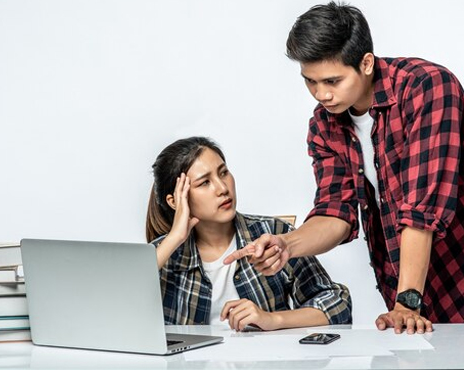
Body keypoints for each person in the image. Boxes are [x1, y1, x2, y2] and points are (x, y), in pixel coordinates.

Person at [224, 2, 464, 335]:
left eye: (332, 80)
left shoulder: (428, 89)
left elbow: (421, 209)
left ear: (366, 63)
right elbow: (335, 213)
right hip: (406, 268)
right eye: (310, 81)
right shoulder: (324, 125)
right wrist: (287, 245)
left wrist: (406, 302)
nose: (321, 94)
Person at [147, 136, 352, 331]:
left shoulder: (272, 234)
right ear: (175, 200)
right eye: (204, 182)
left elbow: (338, 303)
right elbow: (126, 311)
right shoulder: (161, 254)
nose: (222, 188)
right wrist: (175, 237)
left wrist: (272, 319)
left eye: (223, 173)